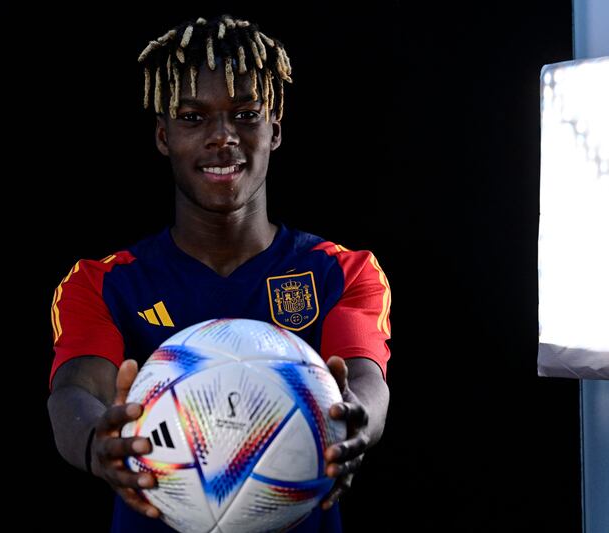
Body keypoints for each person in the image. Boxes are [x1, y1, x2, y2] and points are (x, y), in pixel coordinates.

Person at [46, 14, 391, 533]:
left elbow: (365, 380)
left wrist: (356, 417)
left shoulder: (343, 271)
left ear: (274, 129)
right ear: (163, 136)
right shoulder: (103, 282)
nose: (222, 137)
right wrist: (99, 442)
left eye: (246, 113)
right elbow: (76, 391)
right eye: (192, 118)